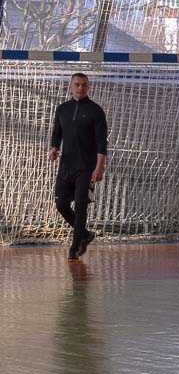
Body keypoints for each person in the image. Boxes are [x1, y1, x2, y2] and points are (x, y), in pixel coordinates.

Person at [48, 73, 108, 262]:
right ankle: (85, 234)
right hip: (66, 166)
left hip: (86, 168)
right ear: (70, 86)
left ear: (88, 87)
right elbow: (57, 134)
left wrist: (99, 168)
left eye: (84, 85)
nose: (80, 88)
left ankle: (75, 248)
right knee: (61, 205)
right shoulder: (62, 109)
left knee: (81, 206)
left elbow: (101, 144)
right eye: (77, 85)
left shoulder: (96, 111)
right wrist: (54, 149)